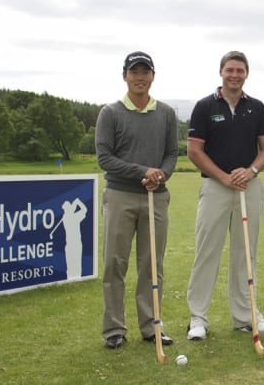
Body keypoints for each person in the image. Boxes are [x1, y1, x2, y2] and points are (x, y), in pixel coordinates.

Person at [184, 51, 264, 340]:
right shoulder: (204, 106)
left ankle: (245, 316)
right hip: (215, 187)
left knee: (246, 254)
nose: (234, 75)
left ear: (246, 73)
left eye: (239, 70)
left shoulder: (257, 108)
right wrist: (223, 177)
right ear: (221, 72)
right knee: (207, 251)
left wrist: (250, 172)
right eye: (229, 70)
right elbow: (194, 151)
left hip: (248, 187)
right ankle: (197, 318)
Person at [95, 51, 179, 349]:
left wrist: (161, 175)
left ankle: (151, 326)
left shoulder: (166, 113)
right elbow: (105, 158)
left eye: (145, 72)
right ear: (125, 76)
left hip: (156, 197)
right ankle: (114, 329)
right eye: (134, 72)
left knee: (152, 266)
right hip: (120, 195)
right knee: (115, 264)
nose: (140, 77)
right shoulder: (110, 113)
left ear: (153, 76)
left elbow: (172, 153)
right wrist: (145, 171)